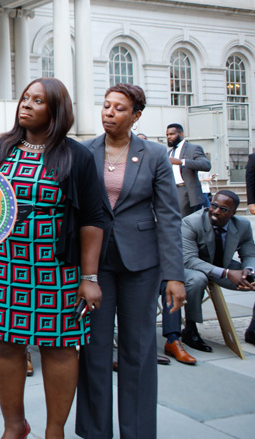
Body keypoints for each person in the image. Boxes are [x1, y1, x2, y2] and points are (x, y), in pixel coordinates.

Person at [0, 77, 105, 439]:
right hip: (6, 267)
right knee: (3, 344)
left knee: (61, 348)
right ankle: (14, 426)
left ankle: (55, 431)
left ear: (56, 111)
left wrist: (90, 277)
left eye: (38, 101)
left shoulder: (76, 156)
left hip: (58, 269)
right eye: (25, 98)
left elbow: (93, 220)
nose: (26, 105)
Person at [77, 83, 186, 438]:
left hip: (141, 265)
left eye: (119, 108)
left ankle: (137, 432)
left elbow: (169, 217)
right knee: (93, 349)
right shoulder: (85, 151)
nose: (109, 112)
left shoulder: (153, 155)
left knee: (138, 351)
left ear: (136, 116)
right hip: (95, 265)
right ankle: (96, 431)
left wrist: (175, 275)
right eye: (106, 106)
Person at [162, 191, 255, 357]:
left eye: (224, 209)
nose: (216, 211)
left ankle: (253, 330)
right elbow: (189, 259)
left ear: (233, 213)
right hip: (191, 267)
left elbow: (249, 254)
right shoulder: (192, 222)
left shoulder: (243, 225)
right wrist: (227, 273)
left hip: (223, 265)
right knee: (198, 279)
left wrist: (248, 271)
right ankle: (190, 329)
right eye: (214, 205)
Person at [166, 123, 211, 217]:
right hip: (172, 191)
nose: (169, 137)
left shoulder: (193, 148)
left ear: (181, 134)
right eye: (167, 135)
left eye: (172, 134)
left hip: (187, 191)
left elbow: (206, 165)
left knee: (184, 222)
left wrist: (182, 162)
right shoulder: (170, 152)